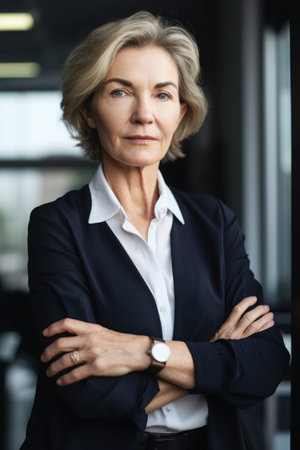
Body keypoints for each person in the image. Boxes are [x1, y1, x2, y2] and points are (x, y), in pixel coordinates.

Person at [21, 11, 289, 450]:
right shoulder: (57, 225)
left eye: (163, 95)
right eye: (121, 91)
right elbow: (87, 391)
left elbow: (265, 363)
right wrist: (213, 357)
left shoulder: (214, 222)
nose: (144, 115)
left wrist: (143, 351)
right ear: (89, 109)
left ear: (181, 111)